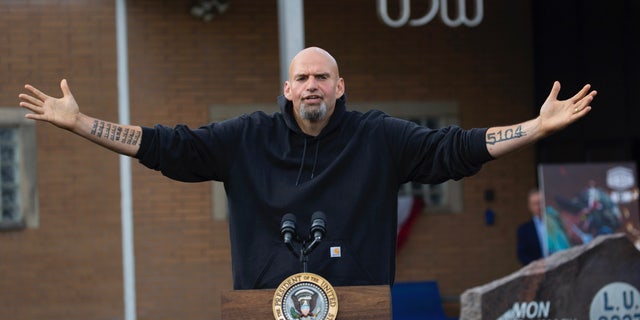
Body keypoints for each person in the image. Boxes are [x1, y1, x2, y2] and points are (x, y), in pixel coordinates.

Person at [18, 47, 597, 290]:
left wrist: (536, 129)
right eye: (302, 77)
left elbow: (457, 148)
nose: (312, 85)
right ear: (287, 89)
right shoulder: (246, 138)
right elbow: (166, 146)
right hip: (262, 308)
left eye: (323, 76)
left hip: (362, 309)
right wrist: (83, 123)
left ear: (340, 87)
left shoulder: (378, 137)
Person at [516, 189, 545, 265]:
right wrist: (536, 264)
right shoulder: (524, 229)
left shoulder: (555, 223)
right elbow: (522, 255)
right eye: (535, 204)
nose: (539, 206)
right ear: (530, 206)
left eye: (540, 202)